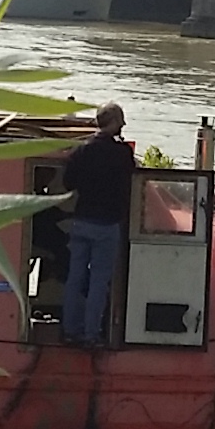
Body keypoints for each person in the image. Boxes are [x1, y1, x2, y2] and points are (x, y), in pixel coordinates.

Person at [58, 102, 136, 348]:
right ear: (114, 122)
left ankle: (70, 330)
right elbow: (131, 180)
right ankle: (91, 335)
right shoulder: (121, 153)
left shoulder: (82, 151)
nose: (123, 125)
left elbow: (69, 182)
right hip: (107, 225)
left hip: (81, 221)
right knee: (99, 282)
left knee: (75, 278)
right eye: (121, 120)